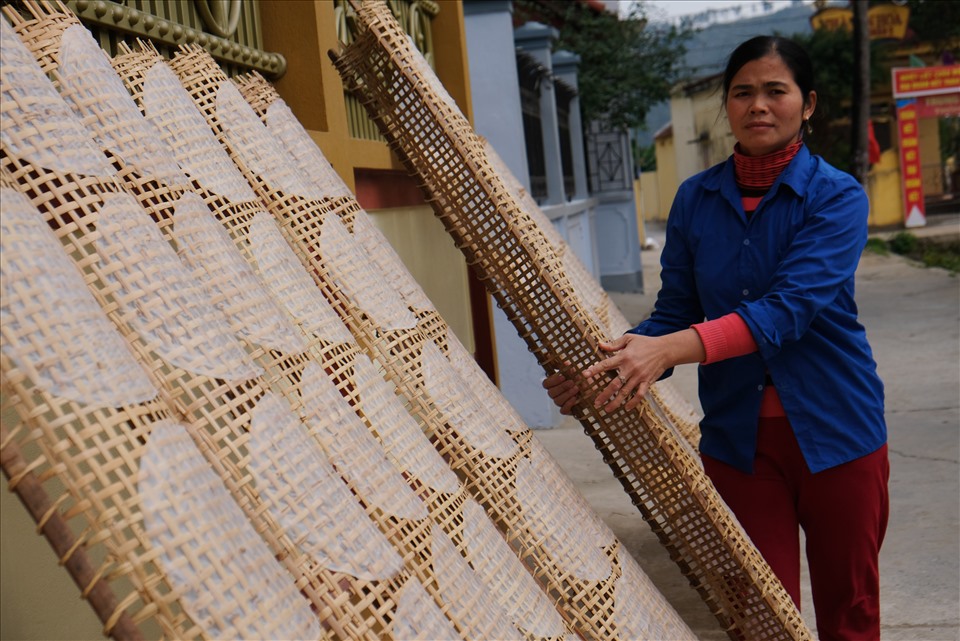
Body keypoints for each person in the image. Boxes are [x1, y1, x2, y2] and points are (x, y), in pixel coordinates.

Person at [544, 35, 889, 641]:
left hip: (839, 432)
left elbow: (787, 310)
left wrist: (666, 350)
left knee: (849, 609)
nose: (759, 105)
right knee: (758, 616)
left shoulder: (836, 197)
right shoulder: (695, 200)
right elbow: (675, 312)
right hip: (740, 441)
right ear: (727, 106)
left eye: (775, 91)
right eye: (743, 92)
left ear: (806, 104)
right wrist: (609, 366)